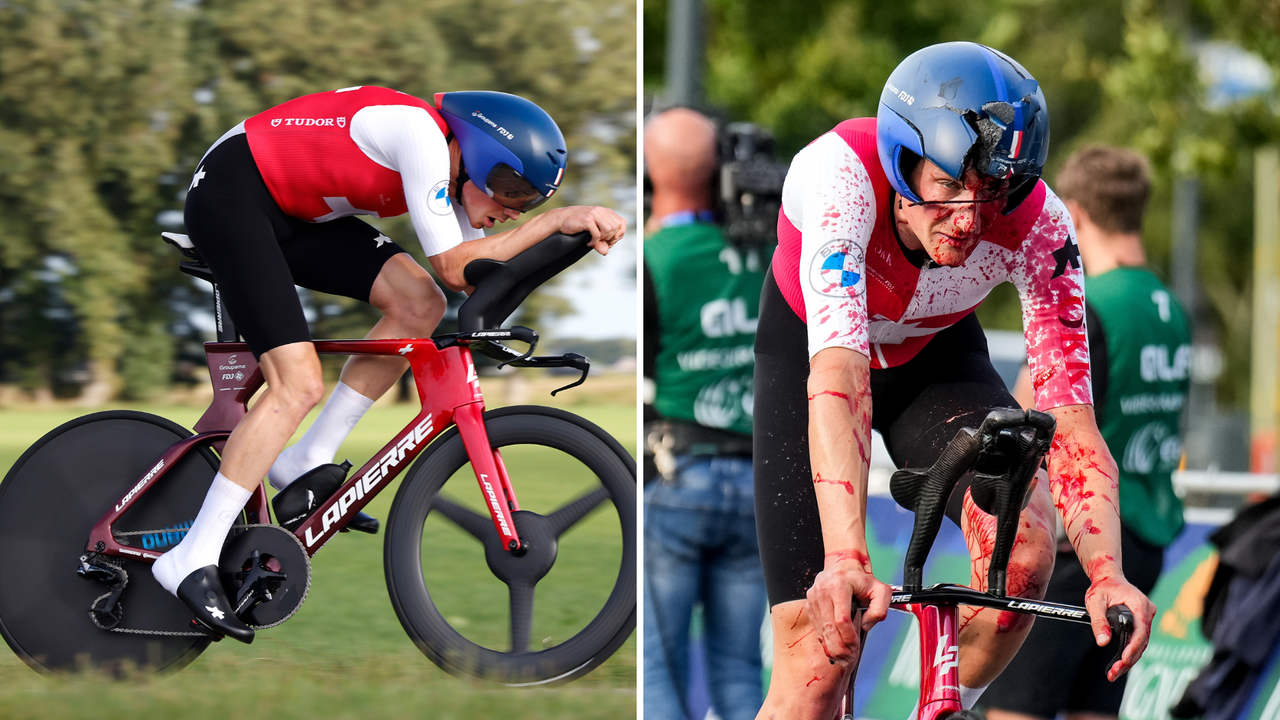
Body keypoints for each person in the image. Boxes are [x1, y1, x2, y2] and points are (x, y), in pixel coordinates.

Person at [751, 42, 1157, 719]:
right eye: (948, 187)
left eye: (993, 190)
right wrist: (847, 556)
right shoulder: (837, 176)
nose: (970, 218)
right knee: (816, 660)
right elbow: (840, 376)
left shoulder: (1042, 225)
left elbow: (1072, 420)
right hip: (815, 358)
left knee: (1025, 550)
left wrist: (1105, 573)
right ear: (901, 159)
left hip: (932, 359)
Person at [154, 86, 626, 642]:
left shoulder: (455, 175)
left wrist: (554, 244)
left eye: (529, 201)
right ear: (473, 152)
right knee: (296, 385)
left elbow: (475, 279)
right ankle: (191, 555)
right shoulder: (420, 135)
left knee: (418, 304)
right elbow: (456, 266)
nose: (513, 209)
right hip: (234, 191)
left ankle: (307, 456)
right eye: (511, 188)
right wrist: (559, 220)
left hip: (293, 211)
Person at [982, 145, 1191, 720]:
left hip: (1083, 545)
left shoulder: (1086, 303)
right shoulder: (1170, 306)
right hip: (1144, 544)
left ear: (1071, 211)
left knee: (1015, 709)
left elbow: (1022, 415)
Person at [643, 108, 770, 720]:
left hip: (680, 474)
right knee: (741, 673)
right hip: (757, 483)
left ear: (652, 173)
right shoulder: (769, 249)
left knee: (659, 671)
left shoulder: (654, 254)